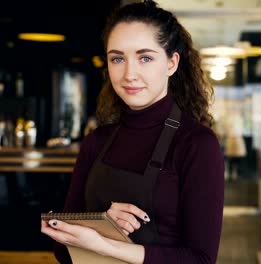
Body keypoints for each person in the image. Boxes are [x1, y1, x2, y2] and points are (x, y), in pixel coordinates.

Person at [40, 1, 225, 263]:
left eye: (145, 58)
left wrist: (106, 245)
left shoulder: (196, 144)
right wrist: (101, 222)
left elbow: (201, 259)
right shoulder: (96, 142)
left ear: (172, 63)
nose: (129, 74)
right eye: (117, 58)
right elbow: (62, 252)